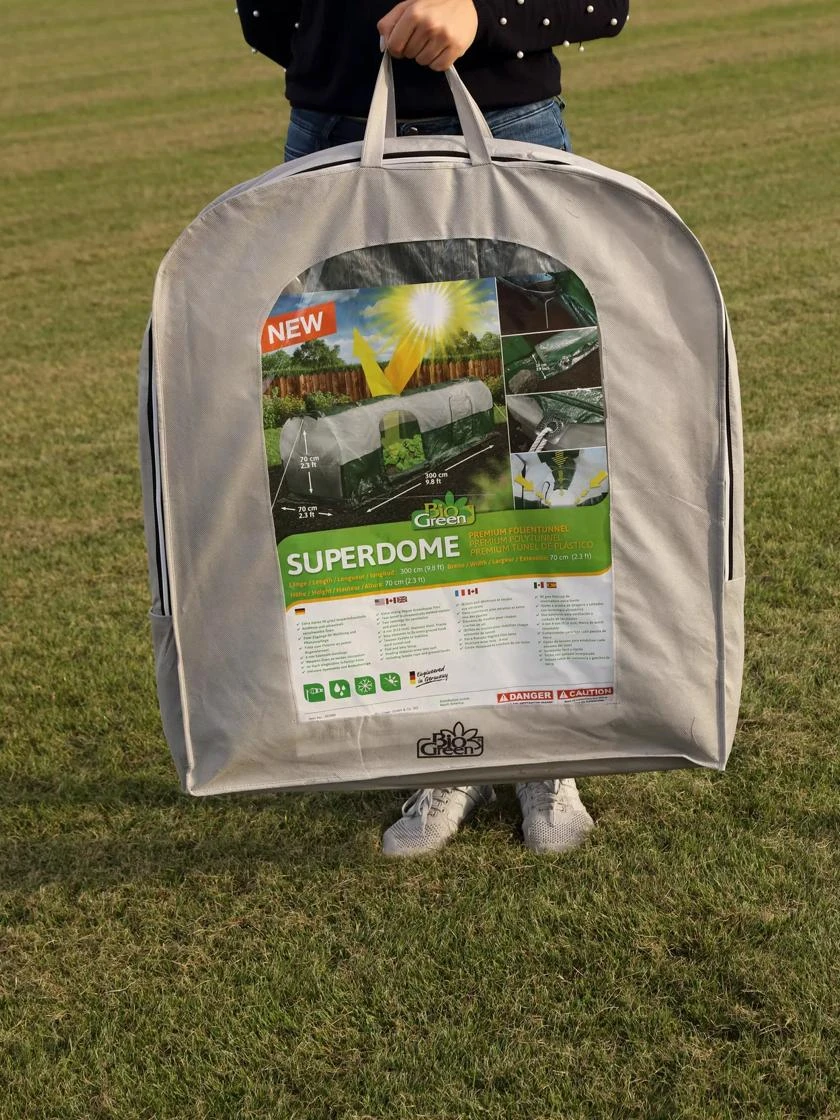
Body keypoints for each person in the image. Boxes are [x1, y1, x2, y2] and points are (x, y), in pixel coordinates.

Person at [238, 0, 630, 857]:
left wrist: (483, 14)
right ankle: (445, 745)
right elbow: (263, 13)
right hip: (332, 135)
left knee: (545, 441)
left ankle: (545, 749)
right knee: (392, 517)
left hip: (503, 124)